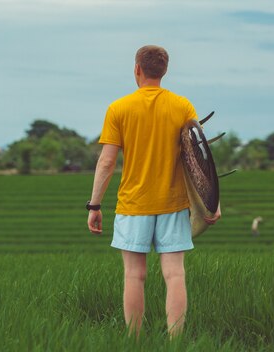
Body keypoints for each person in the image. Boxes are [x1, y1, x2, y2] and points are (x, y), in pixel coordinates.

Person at [86, 45, 221, 338]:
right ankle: (175, 341)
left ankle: (134, 342)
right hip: (173, 204)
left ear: (137, 69)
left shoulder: (119, 108)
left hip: (133, 205)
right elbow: (199, 158)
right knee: (175, 275)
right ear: (165, 71)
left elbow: (107, 162)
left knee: (134, 275)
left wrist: (94, 205)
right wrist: (213, 201)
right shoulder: (182, 106)